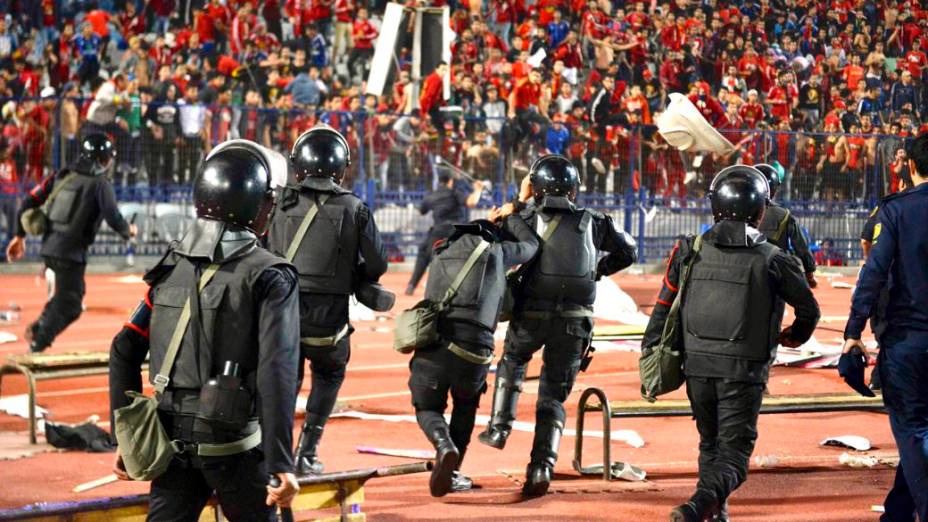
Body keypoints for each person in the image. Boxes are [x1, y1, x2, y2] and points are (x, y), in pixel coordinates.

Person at [108, 139, 301, 519]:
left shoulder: (170, 267)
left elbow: (123, 347)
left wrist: (128, 438)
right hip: (235, 447)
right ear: (258, 204)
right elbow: (277, 371)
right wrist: (282, 461)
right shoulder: (271, 276)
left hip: (170, 446)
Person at [641, 165, 820, 521]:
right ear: (761, 211)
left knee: (710, 444)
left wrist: (650, 354)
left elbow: (662, 308)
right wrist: (795, 336)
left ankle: (714, 511)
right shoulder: (773, 258)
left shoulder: (688, 250)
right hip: (744, 369)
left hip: (696, 366)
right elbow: (808, 309)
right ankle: (699, 504)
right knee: (735, 456)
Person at [479, 155, 638, 496]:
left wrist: (520, 199)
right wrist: (597, 270)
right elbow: (629, 251)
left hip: (531, 316)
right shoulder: (595, 221)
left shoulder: (522, 217)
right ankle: (542, 467)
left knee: (513, 361)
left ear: (535, 187)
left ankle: (499, 427)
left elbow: (494, 238)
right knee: (553, 396)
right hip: (574, 322)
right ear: (573, 188)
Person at [265, 126, 389, 475]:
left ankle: (277, 455)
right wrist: (354, 273)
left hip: (281, 316)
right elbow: (378, 263)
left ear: (298, 164)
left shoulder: (278, 203)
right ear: (341, 167)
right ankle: (307, 452)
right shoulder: (354, 207)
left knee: (283, 380)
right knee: (330, 373)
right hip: (328, 324)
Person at [409, 215, 538, 497]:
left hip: (435, 342)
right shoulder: (499, 253)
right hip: (475, 348)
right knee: (465, 405)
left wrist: (483, 222)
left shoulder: (440, 250)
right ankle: (453, 472)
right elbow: (532, 244)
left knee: (427, 407)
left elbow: (451, 230)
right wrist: (512, 216)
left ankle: (444, 446)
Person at [844, 133, 928, 522]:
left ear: (910, 165)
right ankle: (897, 512)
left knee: (913, 432)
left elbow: (873, 273)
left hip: (908, 341)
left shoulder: (896, 210)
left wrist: (852, 332)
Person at [6, 133, 137, 353]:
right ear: (104, 159)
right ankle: (38, 344)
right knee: (71, 306)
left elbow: (29, 200)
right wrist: (128, 231)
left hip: (49, 248)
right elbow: (113, 217)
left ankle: (40, 329)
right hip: (71, 253)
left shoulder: (62, 175)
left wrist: (19, 236)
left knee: (65, 297)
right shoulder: (100, 183)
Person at [405, 172, 483, 295]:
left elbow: (421, 211)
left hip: (438, 230)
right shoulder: (455, 192)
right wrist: (478, 190)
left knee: (424, 253)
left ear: (439, 181)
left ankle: (412, 285)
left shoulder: (432, 195)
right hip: (455, 231)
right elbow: (471, 202)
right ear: (450, 182)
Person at [754, 163, 818, 288]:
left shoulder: (735, 211)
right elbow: (801, 246)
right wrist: (809, 272)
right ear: (772, 188)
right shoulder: (784, 215)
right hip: (774, 272)